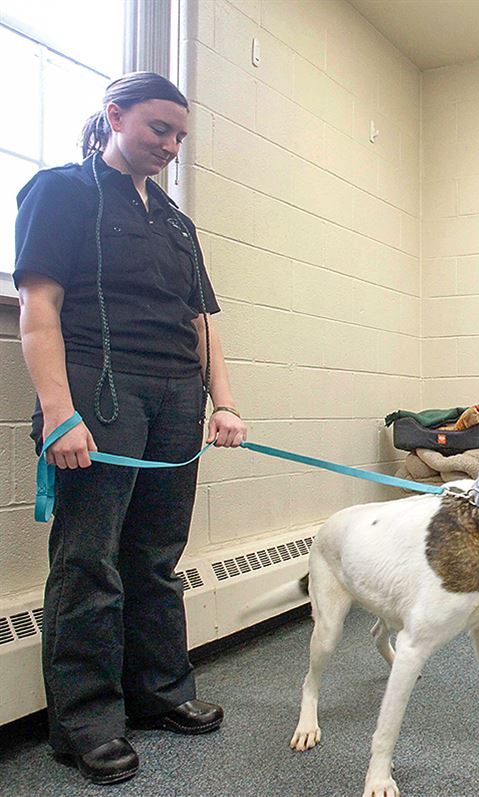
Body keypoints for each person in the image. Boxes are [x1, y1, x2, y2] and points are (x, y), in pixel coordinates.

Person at [15, 72, 247, 785]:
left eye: (179, 136)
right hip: (98, 389)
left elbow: (201, 321)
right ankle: (85, 724)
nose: (170, 146)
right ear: (115, 116)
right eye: (158, 129)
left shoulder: (176, 222)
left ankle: (160, 693)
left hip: (176, 398)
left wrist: (223, 402)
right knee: (90, 561)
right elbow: (39, 309)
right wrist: (59, 413)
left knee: (154, 556)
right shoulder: (60, 191)